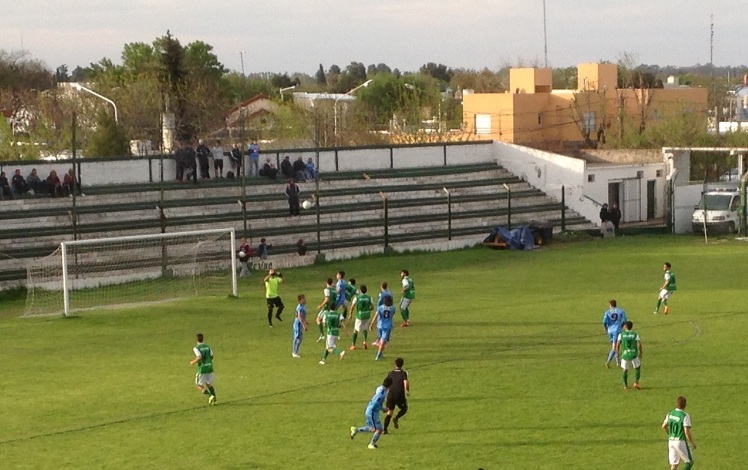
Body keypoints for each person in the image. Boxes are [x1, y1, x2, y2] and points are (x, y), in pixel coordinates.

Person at [350, 377, 392, 449]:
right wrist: (383, 409)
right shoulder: (382, 394)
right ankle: (371, 444)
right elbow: (376, 403)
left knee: (372, 428)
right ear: (390, 385)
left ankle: (356, 430)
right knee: (379, 429)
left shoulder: (380, 388)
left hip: (370, 410)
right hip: (372, 412)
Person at [662, 396, 697, 470]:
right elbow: (686, 432)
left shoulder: (670, 414)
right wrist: (692, 443)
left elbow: (663, 426)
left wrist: (670, 434)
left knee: (674, 465)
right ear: (685, 405)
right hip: (680, 441)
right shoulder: (685, 416)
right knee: (690, 462)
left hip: (671, 441)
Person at [383, 357, 410, 433]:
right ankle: (396, 418)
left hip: (391, 395)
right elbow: (405, 382)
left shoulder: (390, 373)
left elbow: (386, 383)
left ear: (395, 364)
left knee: (389, 412)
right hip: (399, 395)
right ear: (402, 364)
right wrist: (407, 391)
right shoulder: (403, 373)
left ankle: (385, 429)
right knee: (404, 408)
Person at [189, 333, 216, 405]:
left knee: (199, 384)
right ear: (203, 339)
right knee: (208, 383)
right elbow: (212, 356)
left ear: (196, 340)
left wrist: (193, 362)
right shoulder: (208, 347)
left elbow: (199, 357)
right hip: (210, 367)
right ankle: (215, 399)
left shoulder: (196, 348)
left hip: (202, 368)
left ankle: (210, 396)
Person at [615, 320, 642, 390]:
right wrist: (641, 353)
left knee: (625, 370)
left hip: (625, 355)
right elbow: (639, 344)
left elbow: (618, 344)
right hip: (634, 354)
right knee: (637, 367)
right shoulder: (635, 334)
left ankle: (625, 385)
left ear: (625, 327)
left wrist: (617, 352)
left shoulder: (621, 334)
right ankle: (636, 382)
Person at [602, 299, 627, 368]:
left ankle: (618, 362)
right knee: (615, 347)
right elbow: (625, 320)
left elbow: (604, 321)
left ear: (610, 305)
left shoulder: (607, 312)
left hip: (610, 331)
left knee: (615, 346)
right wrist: (621, 326)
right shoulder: (621, 311)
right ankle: (608, 362)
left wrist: (605, 327)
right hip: (617, 331)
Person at [370, 295, 395, 361]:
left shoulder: (380, 308)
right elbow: (391, 316)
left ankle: (381, 354)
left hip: (380, 326)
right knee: (383, 341)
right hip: (387, 326)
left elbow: (376, 316)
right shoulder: (393, 308)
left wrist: (371, 324)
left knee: (381, 340)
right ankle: (378, 355)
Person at [349, 284, 373, 350]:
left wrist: (350, 314)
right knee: (365, 329)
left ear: (360, 290)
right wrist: (368, 309)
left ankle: (353, 345)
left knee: (355, 330)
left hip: (360, 315)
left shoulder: (357, 297)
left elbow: (352, 307)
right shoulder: (369, 297)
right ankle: (365, 341)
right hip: (367, 315)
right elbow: (372, 307)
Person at [316, 277, 337, 342]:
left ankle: (322, 335)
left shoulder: (326, 290)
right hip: (333, 307)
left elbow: (327, 299)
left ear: (326, 282)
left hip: (327, 307)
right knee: (329, 321)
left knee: (318, 320)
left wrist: (320, 306)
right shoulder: (334, 289)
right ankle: (335, 334)